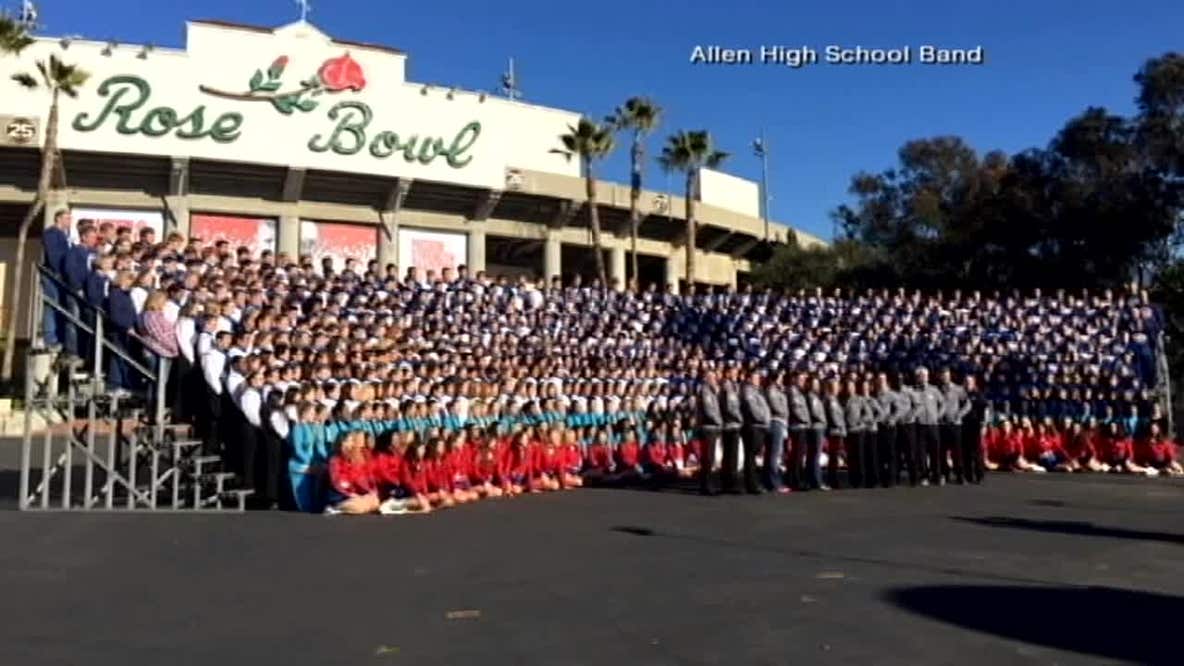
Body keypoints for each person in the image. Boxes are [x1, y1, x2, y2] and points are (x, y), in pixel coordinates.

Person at [326, 431, 381, 515]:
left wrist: (370, 491)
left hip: (355, 494)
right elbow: (337, 483)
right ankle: (335, 508)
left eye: (352, 441)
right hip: (341, 496)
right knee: (359, 507)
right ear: (342, 442)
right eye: (349, 441)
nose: (352, 443)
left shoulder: (352, 458)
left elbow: (360, 478)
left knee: (374, 501)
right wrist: (351, 494)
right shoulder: (335, 460)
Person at [41, 209, 71, 352]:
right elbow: (54, 255)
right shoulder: (51, 233)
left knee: (60, 305)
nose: (69, 221)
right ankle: (50, 337)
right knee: (51, 304)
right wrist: (59, 272)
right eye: (66, 218)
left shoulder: (65, 235)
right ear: (58, 219)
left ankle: (59, 337)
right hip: (53, 275)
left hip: (61, 276)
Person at [738, 368, 768, 495]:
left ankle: (753, 483)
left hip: (759, 426)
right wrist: (763, 418)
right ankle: (751, 485)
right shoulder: (748, 391)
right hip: (752, 426)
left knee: (753, 457)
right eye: (755, 378)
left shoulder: (757, 391)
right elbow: (753, 409)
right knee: (750, 457)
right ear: (749, 379)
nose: (758, 380)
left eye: (758, 378)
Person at [938, 368, 969, 484]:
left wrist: (959, 415)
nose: (945, 377)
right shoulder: (937, 390)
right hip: (942, 425)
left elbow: (967, 404)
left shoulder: (958, 389)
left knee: (957, 451)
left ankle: (960, 475)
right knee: (942, 451)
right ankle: (944, 475)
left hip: (955, 425)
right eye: (943, 375)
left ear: (950, 376)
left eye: (947, 375)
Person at [696, 369, 724, 496]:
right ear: (706, 378)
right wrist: (719, 422)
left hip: (713, 427)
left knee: (711, 458)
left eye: (715, 377)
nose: (714, 380)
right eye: (711, 377)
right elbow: (709, 411)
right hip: (708, 427)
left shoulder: (713, 392)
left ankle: (708, 484)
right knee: (708, 458)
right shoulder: (705, 391)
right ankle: (706, 486)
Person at [764, 370, 791, 493]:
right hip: (775, 422)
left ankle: (770, 481)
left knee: (773, 454)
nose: (781, 380)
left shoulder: (778, 390)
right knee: (774, 455)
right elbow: (776, 407)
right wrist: (785, 413)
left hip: (779, 422)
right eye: (780, 378)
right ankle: (774, 483)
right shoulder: (771, 391)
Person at [719, 365, 745, 494]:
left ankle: (728, 482)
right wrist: (740, 418)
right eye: (733, 372)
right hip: (731, 424)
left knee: (730, 454)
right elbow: (731, 407)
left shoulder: (735, 386)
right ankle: (730, 483)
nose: (735, 374)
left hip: (732, 423)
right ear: (728, 373)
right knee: (731, 455)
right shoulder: (727, 387)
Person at [961, 375, 988, 484]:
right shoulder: (961, 394)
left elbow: (985, 410)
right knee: (965, 452)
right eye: (966, 382)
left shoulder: (978, 394)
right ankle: (968, 476)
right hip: (963, 426)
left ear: (974, 383)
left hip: (975, 426)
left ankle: (979, 476)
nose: (968, 384)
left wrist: (984, 425)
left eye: (970, 382)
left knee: (977, 452)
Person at [806, 375, 829, 491]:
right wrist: (824, 420)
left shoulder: (816, 396)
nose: (816, 386)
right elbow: (815, 412)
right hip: (817, 427)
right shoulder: (812, 397)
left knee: (813, 455)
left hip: (816, 427)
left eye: (817, 384)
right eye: (814, 384)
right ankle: (817, 481)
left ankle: (811, 481)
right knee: (815, 455)